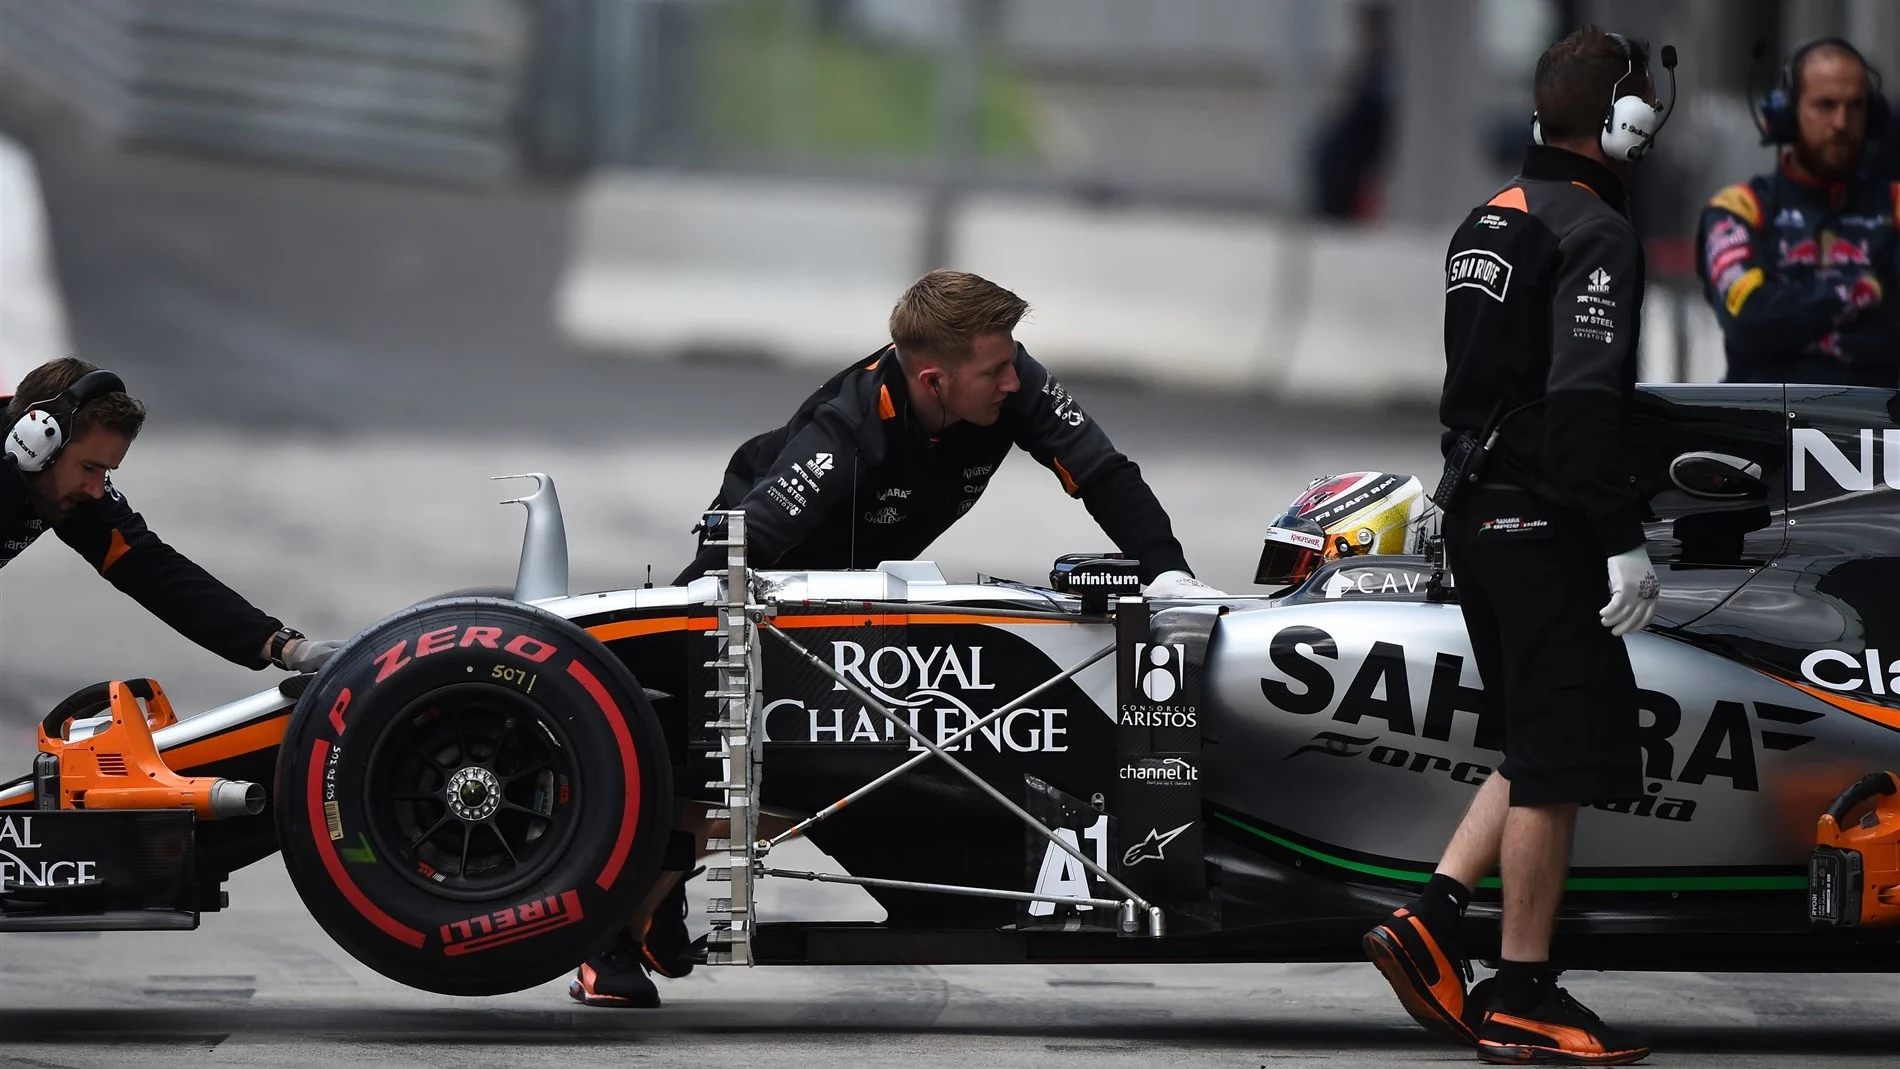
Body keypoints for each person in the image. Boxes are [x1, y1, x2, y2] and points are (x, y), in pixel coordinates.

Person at [568, 268, 1224, 1008]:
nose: (1013, 380)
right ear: (936, 380)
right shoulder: (843, 433)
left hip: (871, 595)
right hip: (773, 574)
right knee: (756, 755)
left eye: (1013, 360)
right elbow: (725, 570)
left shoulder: (1014, 381)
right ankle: (611, 930)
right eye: (995, 370)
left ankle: (661, 894)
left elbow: (1103, 471)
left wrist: (1170, 575)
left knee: (860, 768)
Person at [1362, 27, 1662, 1065]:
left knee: (1541, 739)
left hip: (1478, 515)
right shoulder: (1595, 229)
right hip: (1541, 521)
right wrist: (1622, 540)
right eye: (1645, 105)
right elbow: (1579, 405)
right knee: (1555, 759)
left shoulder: (1485, 216)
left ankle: (1433, 919)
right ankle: (1524, 992)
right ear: (1622, 120)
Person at [2, 357, 340, 675]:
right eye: (89, 468)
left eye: (105, 471)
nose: (95, 490)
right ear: (32, 443)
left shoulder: (70, 488)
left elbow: (151, 568)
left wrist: (284, 647)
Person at [1696, 38, 1898, 387]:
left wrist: (1790, 314)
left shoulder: (1895, 205)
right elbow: (1749, 320)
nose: (1841, 122)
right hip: (1762, 418)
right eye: (1825, 105)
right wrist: (1862, 294)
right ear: (1787, 114)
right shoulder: (1738, 208)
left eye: (1855, 106)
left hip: (1871, 418)